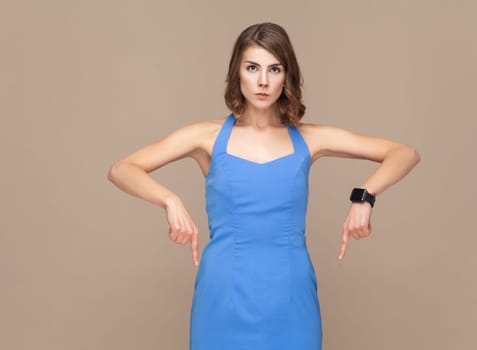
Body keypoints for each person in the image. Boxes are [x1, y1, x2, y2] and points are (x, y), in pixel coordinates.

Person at [107, 22, 420, 350]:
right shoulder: (206, 138)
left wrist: (364, 196)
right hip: (222, 294)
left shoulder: (310, 139)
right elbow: (122, 169)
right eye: (252, 67)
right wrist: (169, 199)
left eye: (274, 69)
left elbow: (404, 154)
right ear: (237, 72)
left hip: (291, 295)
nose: (262, 81)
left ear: (287, 77)